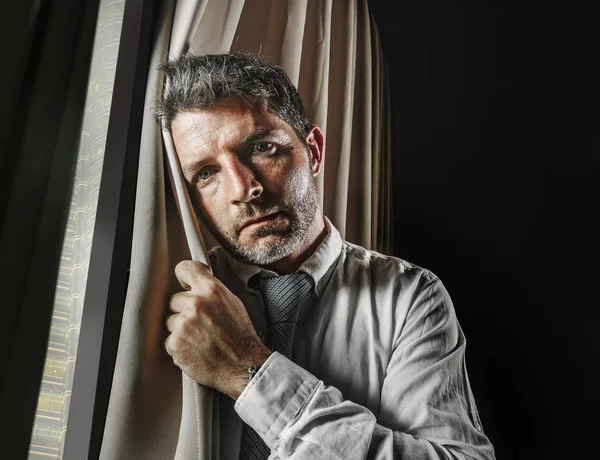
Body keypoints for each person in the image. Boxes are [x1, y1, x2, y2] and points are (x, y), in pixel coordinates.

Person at [156, 53, 495, 459]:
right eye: (206, 174)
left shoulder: (409, 298)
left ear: (313, 151)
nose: (243, 189)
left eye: (262, 148)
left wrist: (250, 373)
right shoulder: (172, 299)